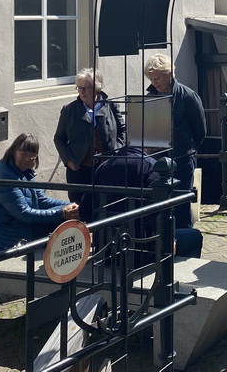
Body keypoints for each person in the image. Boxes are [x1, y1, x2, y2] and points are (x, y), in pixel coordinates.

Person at [80, 145, 202, 260]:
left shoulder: (103, 166)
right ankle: (170, 277)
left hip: (105, 251)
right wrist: (170, 239)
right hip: (141, 252)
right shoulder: (150, 167)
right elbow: (156, 214)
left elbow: (85, 212)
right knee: (194, 236)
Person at [0, 133, 79, 258]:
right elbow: (23, 213)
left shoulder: (23, 171)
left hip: (16, 229)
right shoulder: (3, 175)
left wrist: (70, 206)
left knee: (70, 219)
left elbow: (41, 200)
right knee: (62, 222)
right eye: (24, 154)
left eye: (32, 156)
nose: (28, 159)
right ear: (13, 152)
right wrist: (62, 213)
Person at [144, 53, 207, 229]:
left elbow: (200, 130)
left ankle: (183, 241)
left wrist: (187, 149)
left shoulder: (187, 96)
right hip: (156, 160)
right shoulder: (149, 97)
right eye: (151, 78)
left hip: (181, 159)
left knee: (180, 204)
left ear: (169, 74)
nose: (154, 82)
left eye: (157, 78)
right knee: (157, 204)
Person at [54, 68, 127, 203]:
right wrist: (68, 161)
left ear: (97, 88)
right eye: (79, 88)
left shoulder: (111, 105)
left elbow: (123, 130)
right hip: (79, 169)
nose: (81, 92)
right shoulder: (69, 110)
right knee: (80, 205)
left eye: (85, 88)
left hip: (107, 167)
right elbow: (59, 138)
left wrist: (116, 150)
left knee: (106, 203)